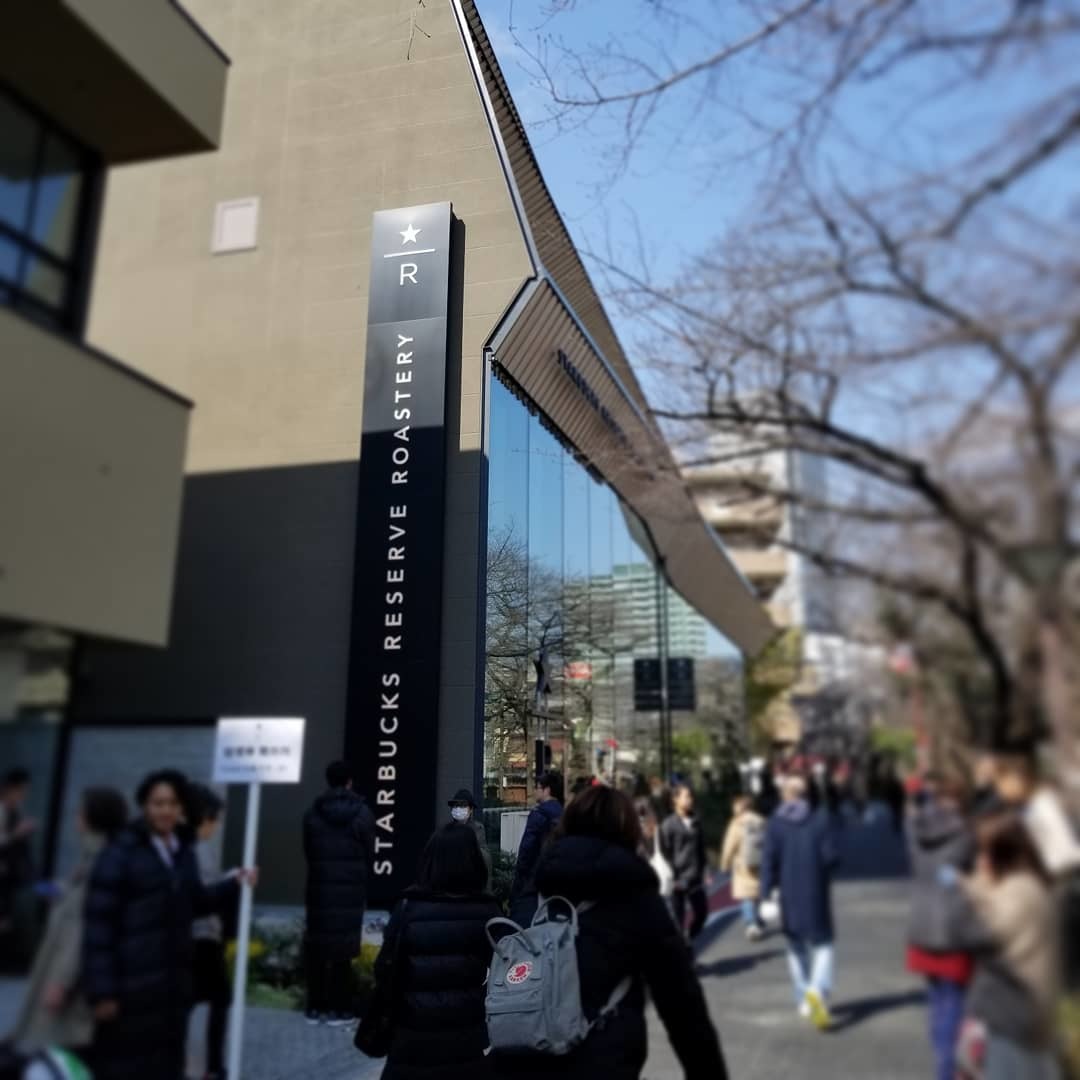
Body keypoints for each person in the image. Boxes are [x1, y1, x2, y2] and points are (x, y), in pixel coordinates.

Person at [493, 786, 729, 1079]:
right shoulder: (635, 894)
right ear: (627, 829)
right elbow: (681, 1003)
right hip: (603, 1058)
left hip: (526, 1052)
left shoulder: (539, 886)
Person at [82, 770, 253, 1080]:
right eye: (158, 802)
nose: (165, 810)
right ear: (145, 806)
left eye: (172, 803)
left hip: (172, 980)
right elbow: (99, 924)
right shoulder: (122, 852)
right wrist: (102, 989)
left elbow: (196, 901)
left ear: (181, 809)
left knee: (167, 1061)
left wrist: (235, 884)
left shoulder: (182, 852)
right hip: (132, 981)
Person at [363, 824, 501, 1079]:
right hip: (466, 1042)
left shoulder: (407, 908)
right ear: (474, 861)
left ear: (430, 859)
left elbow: (384, 968)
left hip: (410, 1042)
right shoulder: (487, 911)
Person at [11, 787, 127, 1061]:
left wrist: (61, 982)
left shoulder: (102, 860)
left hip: (72, 975)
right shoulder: (92, 856)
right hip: (67, 968)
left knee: (64, 1047)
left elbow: (83, 926)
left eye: (81, 811)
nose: (77, 816)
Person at [946, 812, 1061, 1079]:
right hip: (1024, 1022)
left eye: (985, 853)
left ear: (1002, 855)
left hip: (1013, 1026)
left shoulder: (1018, 893)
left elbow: (971, 933)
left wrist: (963, 894)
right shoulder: (1029, 886)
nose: (979, 861)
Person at [906, 773, 976, 1080]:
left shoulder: (915, 827)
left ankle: (942, 1059)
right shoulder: (967, 834)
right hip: (954, 926)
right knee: (955, 1002)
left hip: (921, 923)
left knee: (937, 1000)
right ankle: (947, 1069)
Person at [760, 774, 840, 1030]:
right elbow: (831, 858)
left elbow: (768, 862)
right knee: (823, 944)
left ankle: (804, 995)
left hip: (788, 895)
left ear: (785, 796)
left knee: (796, 947)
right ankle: (818, 989)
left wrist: (765, 893)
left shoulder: (775, 824)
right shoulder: (820, 820)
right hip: (816, 892)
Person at [303, 759, 376, 1026]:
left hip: (320, 888)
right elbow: (369, 852)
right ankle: (341, 1009)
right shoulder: (363, 814)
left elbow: (309, 851)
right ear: (349, 781)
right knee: (344, 953)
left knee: (317, 949)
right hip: (350, 892)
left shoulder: (313, 813)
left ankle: (315, 1008)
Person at [189, 786, 233, 1080]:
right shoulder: (195, 848)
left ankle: (212, 1067)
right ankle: (213, 1068)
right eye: (214, 820)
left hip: (197, 937)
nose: (216, 827)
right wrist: (232, 884)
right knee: (219, 997)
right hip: (200, 937)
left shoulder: (186, 845)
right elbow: (201, 897)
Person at [509, 770, 563, 925]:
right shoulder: (564, 814)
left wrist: (518, 888)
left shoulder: (539, 814)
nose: (535, 791)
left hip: (533, 883)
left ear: (547, 790)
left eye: (537, 787)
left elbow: (526, 852)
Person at [659, 784, 709, 941]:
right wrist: (673, 875)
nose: (690, 800)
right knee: (677, 922)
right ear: (675, 799)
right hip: (677, 879)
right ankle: (686, 958)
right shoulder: (668, 824)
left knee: (702, 912)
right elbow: (664, 852)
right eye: (686, 796)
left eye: (690, 796)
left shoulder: (695, 820)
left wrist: (705, 870)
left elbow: (701, 847)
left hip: (694, 876)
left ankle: (688, 938)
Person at [0, 769, 36, 971]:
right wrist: (16, 834)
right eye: (20, 790)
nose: (22, 795)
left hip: (9, 875)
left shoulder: (16, 810)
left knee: (5, 919)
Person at [721, 794, 766, 941]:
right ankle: (757, 918)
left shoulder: (736, 824)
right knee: (756, 894)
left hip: (743, 866)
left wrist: (724, 864)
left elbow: (729, 846)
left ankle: (751, 924)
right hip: (759, 863)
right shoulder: (760, 821)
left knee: (746, 896)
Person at [447, 789, 491, 885]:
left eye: (463, 805)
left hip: (472, 883)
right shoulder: (446, 830)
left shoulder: (478, 829)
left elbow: (485, 858)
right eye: (456, 805)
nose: (458, 809)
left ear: (471, 809)